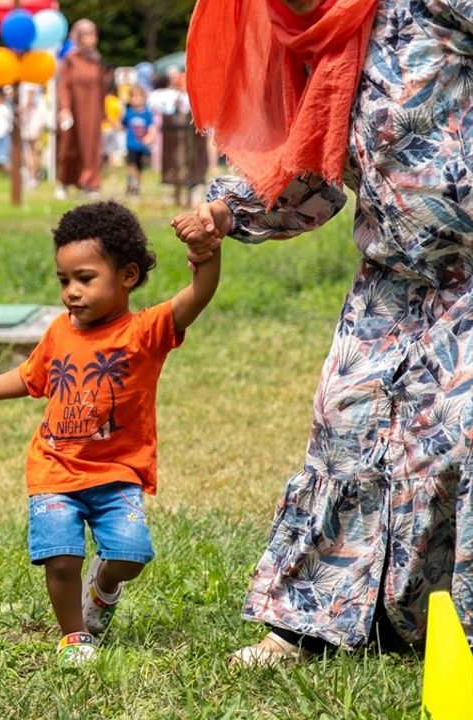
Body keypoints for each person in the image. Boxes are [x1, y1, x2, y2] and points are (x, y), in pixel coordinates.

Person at [174, 0, 473, 664]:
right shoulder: (331, 41)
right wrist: (227, 210)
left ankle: (457, 632)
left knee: (463, 428)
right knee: (344, 423)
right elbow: (312, 170)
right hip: (392, 284)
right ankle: (316, 623)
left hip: (471, 274)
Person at [0, 201, 220, 663]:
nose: (71, 292)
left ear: (127, 276)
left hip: (116, 473)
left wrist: (206, 253)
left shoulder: (145, 332)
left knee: (131, 557)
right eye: (64, 281)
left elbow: (199, 294)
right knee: (62, 558)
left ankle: (104, 585)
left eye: (84, 279)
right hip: (55, 467)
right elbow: (31, 376)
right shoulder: (59, 332)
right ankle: (75, 635)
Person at [54, 19, 106, 199]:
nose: (90, 40)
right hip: (73, 108)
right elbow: (63, 85)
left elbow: (102, 88)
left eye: (93, 35)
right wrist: (64, 108)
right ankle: (64, 182)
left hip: (92, 110)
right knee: (69, 145)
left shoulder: (96, 60)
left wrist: (103, 112)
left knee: (91, 146)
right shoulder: (70, 59)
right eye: (86, 36)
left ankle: (91, 183)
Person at [121, 86, 154, 196]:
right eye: (134, 97)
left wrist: (149, 137)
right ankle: (131, 185)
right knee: (131, 165)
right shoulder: (129, 113)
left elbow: (152, 127)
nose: (137, 100)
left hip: (142, 145)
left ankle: (137, 187)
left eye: (139, 97)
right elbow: (122, 124)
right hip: (131, 145)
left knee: (140, 167)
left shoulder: (147, 114)